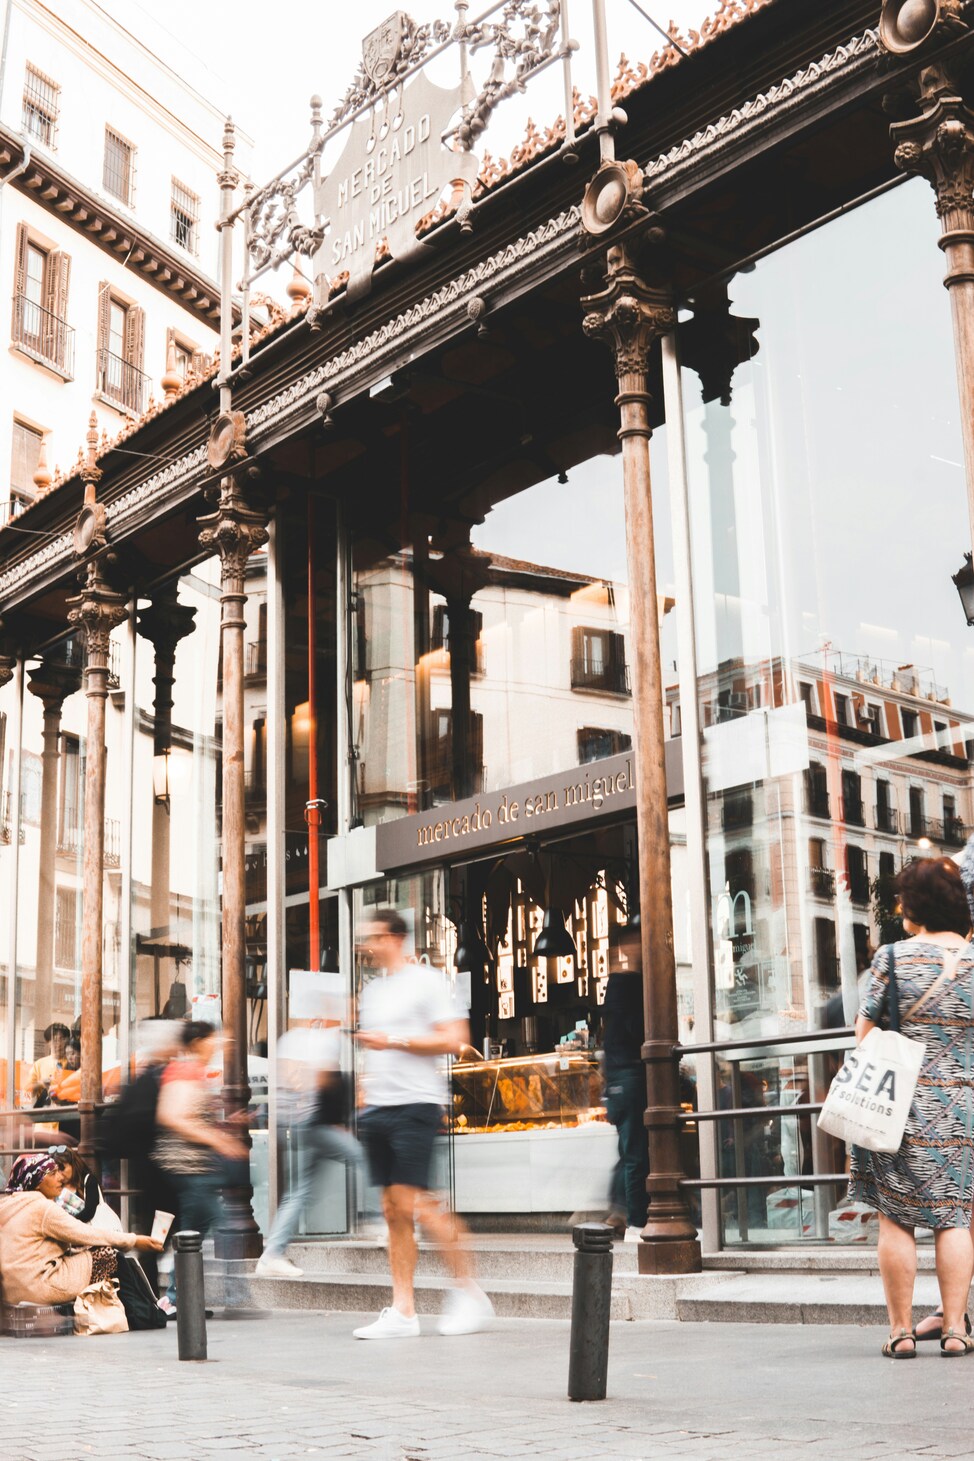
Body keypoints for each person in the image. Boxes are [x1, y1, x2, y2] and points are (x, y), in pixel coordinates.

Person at [848, 857, 974, 1358]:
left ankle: (901, 1332)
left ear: (914, 906)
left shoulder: (893, 959)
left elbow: (864, 1034)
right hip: (965, 1109)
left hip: (897, 1107)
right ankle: (957, 1329)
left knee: (896, 1219)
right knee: (955, 1217)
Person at [352, 909, 494, 1339]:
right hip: (379, 1107)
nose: (366, 946)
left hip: (417, 1105)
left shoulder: (427, 981)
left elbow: (455, 1039)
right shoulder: (373, 991)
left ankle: (469, 1292)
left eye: (373, 937)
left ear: (396, 938)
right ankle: (404, 1311)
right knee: (393, 1210)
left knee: (420, 1206)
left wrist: (394, 1040)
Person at [255, 1012, 367, 1279]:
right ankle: (394, 1218)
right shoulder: (320, 1040)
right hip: (310, 1124)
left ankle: (272, 1254)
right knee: (368, 1159)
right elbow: (321, 1082)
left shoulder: (292, 1038)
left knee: (301, 1191)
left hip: (301, 1124)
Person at [153, 1021, 247, 1316]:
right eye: (212, 1039)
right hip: (188, 1166)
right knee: (211, 1225)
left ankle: (177, 1297)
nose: (217, 1044)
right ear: (197, 1042)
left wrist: (225, 1127)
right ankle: (181, 1297)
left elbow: (189, 1116)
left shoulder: (192, 1072)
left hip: (196, 1167)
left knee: (194, 1229)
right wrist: (217, 1138)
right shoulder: (185, 1071)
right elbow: (172, 1117)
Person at [0, 1153, 161, 1307]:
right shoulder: (42, 1207)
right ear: (37, 1181)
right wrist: (134, 1240)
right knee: (108, 1255)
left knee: (87, 1254)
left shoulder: (8, 1205)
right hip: (41, 1287)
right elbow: (85, 1233)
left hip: (12, 1292)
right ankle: (140, 1313)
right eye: (53, 1173)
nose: (60, 1178)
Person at [601, 922, 649, 1241]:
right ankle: (635, 1221)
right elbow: (635, 1029)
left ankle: (619, 1211)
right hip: (628, 1077)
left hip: (621, 1079)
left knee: (629, 1151)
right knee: (635, 1154)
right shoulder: (625, 984)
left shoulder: (619, 984)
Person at [25, 1024, 69, 1107]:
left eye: (62, 1039)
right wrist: (41, 1083)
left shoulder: (72, 1063)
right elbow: (27, 1092)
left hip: (67, 1110)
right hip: (46, 1111)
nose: (59, 1044)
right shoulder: (39, 1064)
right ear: (48, 1042)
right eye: (54, 1040)